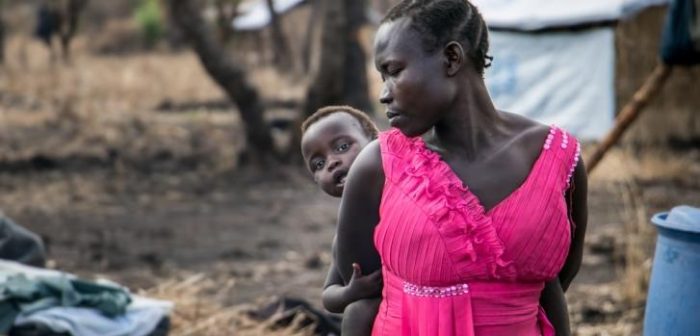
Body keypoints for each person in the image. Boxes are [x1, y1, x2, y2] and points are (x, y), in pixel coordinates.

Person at [335, 1, 588, 335]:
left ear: (451, 58)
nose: (383, 94)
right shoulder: (377, 166)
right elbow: (356, 300)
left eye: (393, 72)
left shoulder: (554, 158)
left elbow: (553, 282)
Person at [300, 106, 383, 336]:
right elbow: (329, 296)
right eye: (318, 164)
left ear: (376, 142)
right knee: (357, 311)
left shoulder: (407, 201)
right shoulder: (346, 235)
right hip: (381, 317)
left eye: (343, 147)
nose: (332, 162)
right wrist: (351, 292)